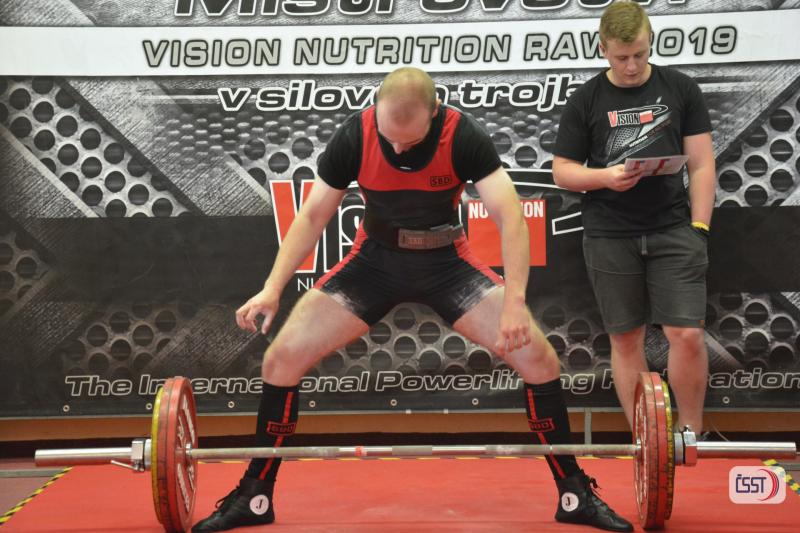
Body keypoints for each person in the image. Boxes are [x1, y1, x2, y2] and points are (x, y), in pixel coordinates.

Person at [193, 67, 632, 532]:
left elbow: (511, 218)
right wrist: (272, 287)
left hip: (447, 264)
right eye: (391, 138)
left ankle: (573, 494)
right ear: (376, 112)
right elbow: (312, 216)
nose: (399, 149)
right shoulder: (355, 135)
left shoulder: (463, 135)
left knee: (539, 360)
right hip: (373, 264)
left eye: (411, 140)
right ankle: (255, 496)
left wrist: (514, 303)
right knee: (280, 359)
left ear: (434, 114)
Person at [552, 1, 716, 436]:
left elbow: (702, 165)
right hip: (609, 233)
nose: (631, 66)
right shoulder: (585, 99)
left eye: (640, 55)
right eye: (622, 57)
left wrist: (699, 227)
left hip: (674, 229)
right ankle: (648, 443)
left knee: (687, 335)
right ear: (602, 49)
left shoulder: (681, 88)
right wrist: (605, 177)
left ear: (650, 43)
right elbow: (562, 171)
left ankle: (691, 436)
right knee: (626, 339)